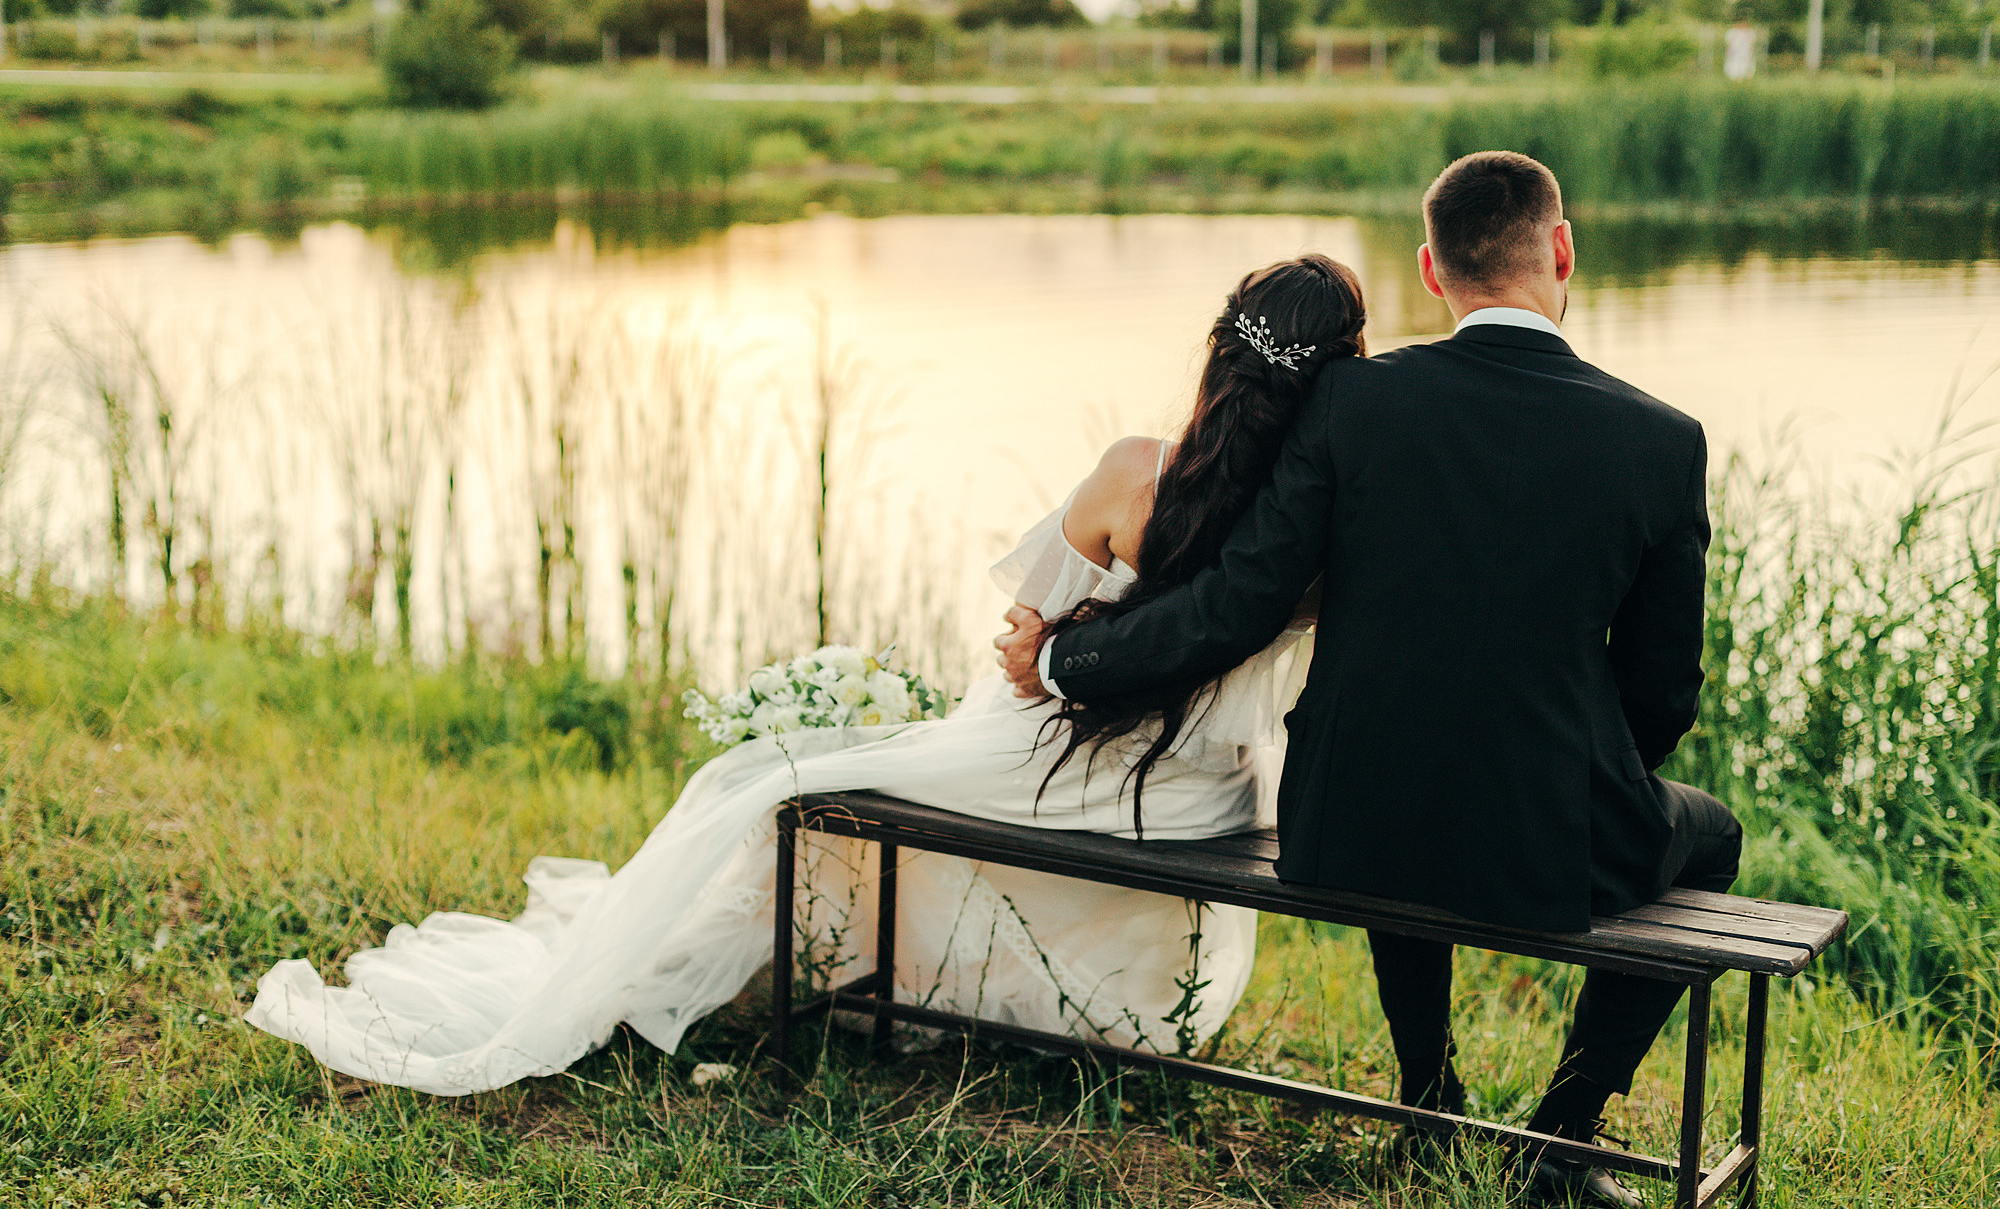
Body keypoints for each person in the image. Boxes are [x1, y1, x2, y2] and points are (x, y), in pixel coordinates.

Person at [246, 254, 1368, 1096]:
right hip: (1203, 794)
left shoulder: (1137, 470)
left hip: (1066, 761)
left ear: (1218, 346)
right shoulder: (1320, 525)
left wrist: (1046, 652)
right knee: (835, 774)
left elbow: (1022, 649)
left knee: (770, 782)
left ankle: (755, 975)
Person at [1001, 152, 1741, 1208]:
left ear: (1431, 273)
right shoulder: (1661, 441)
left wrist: (1065, 656)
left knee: (1407, 768)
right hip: (1548, 826)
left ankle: (1428, 1099)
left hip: (1343, 818)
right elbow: (1664, 689)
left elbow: (1236, 604)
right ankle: (1562, 1139)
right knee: (1709, 834)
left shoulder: (1350, 400)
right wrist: (1570, 785)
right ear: (1560, 248)